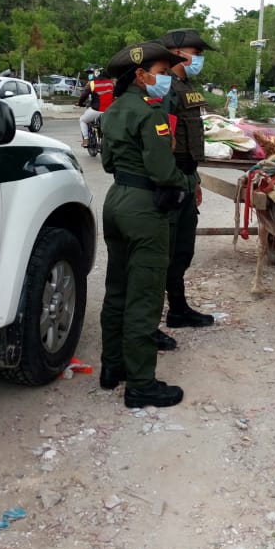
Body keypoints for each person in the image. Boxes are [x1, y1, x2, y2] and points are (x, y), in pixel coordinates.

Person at [98, 41, 193, 408]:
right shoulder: (150, 113)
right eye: (162, 72)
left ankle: (112, 367)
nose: (165, 79)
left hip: (117, 200)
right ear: (140, 75)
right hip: (144, 208)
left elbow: (107, 163)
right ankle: (140, 384)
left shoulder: (113, 111)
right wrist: (185, 184)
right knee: (145, 295)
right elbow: (161, 170)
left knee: (118, 289)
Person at [158, 28, 219, 340]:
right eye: (197, 52)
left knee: (182, 250)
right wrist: (174, 182)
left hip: (186, 174)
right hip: (171, 177)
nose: (200, 58)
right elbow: (162, 141)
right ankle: (154, 320)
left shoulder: (186, 86)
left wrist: (193, 181)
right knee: (164, 252)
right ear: (178, 53)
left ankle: (178, 309)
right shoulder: (166, 88)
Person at [77, 70, 115, 147]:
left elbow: (84, 95)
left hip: (96, 110)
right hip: (110, 111)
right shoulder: (111, 83)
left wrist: (80, 103)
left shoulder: (92, 83)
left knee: (82, 120)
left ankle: (86, 139)